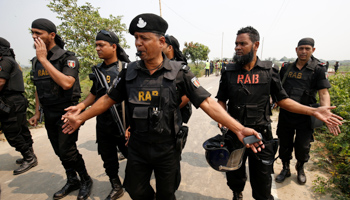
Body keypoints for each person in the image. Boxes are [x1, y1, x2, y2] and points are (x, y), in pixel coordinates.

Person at [62, 13, 267, 200]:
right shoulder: (129, 71)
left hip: (167, 149)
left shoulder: (180, 72)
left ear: (161, 42)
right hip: (137, 147)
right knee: (135, 189)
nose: (138, 43)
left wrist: (239, 129)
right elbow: (108, 99)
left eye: (144, 38)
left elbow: (206, 102)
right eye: (136, 38)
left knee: (167, 194)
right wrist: (81, 116)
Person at [216, 27, 342, 200]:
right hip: (234, 133)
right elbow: (221, 100)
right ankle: (237, 193)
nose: (237, 47)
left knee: (262, 180)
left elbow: (283, 100)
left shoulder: (269, 71)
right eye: (236, 43)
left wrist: (314, 110)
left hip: (260, 136)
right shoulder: (229, 71)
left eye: (242, 43)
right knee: (234, 173)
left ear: (255, 45)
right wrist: (222, 117)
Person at [27, 18, 92, 200]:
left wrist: (43, 59)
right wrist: (38, 111)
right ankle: (73, 179)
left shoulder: (67, 58)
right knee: (58, 150)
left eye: (38, 33)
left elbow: (66, 83)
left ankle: (86, 180)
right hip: (48, 112)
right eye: (32, 33)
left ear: (52, 35)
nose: (34, 37)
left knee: (67, 149)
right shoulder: (36, 62)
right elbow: (38, 87)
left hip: (67, 112)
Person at [63, 30, 130, 200]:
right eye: (96, 45)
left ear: (113, 47)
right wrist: (80, 106)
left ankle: (136, 182)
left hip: (124, 122)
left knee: (133, 155)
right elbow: (95, 93)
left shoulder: (127, 68)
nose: (97, 49)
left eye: (101, 45)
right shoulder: (98, 70)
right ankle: (116, 185)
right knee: (108, 157)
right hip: (104, 123)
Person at [275, 38, 339, 185]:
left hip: (307, 115)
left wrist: (326, 112)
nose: (304, 51)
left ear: (313, 50)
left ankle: (300, 167)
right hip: (286, 114)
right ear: (296, 50)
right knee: (284, 143)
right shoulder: (286, 68)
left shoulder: (318, 69)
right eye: (301, 48)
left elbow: (323, 93)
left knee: (303, 146)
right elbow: (277, 89)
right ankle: (285, 168)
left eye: (307, 48)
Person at [0, 37, 38, 175]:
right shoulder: (11, 61)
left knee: (12, 132)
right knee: (21, 129)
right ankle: (29, 154)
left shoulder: (4, 61)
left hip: (10, 101)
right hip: (17, 101)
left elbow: (0, 82)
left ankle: (29, 157)